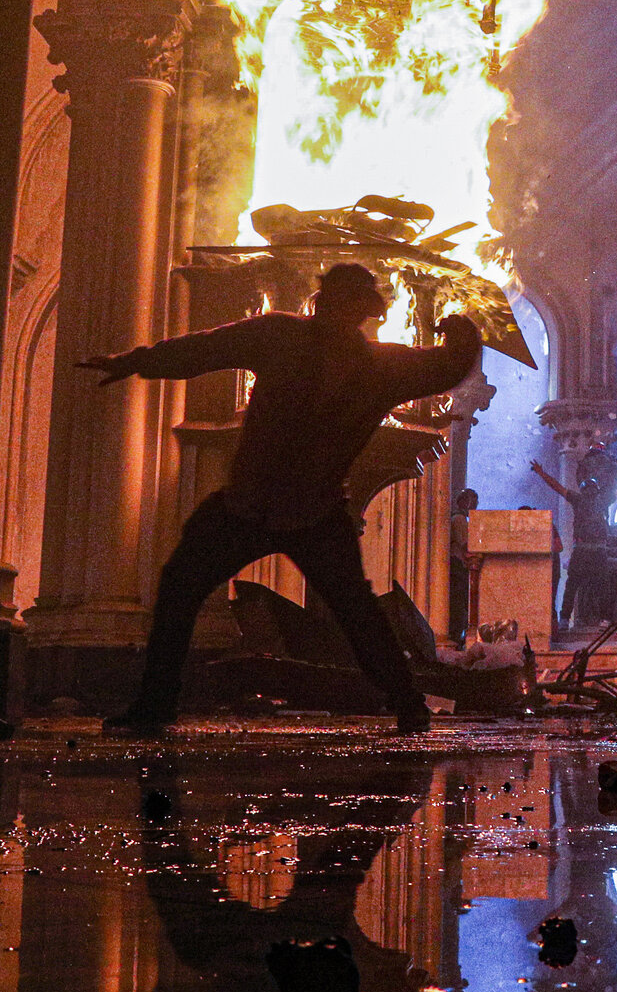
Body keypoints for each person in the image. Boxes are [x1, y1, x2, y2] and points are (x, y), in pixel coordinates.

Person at [87, 262, 480, 735]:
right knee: (350, 611)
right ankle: (408, 706)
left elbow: (203, 351)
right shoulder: (373, 364)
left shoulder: (292, 340)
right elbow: (448, 365)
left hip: (267, 507)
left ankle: (155, 707)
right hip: (294, 510)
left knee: (192, 590)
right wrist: (462, 333)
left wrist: (137, 361)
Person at [530, 459, 616, 637]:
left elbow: (557, 487)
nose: (591, 493)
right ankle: (574, 619)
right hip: (589, 549)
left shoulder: (587, 501)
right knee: (583, 585)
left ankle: (572, 619)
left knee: (586, 585)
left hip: (590, 549)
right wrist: (541, 473)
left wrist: (541, 472)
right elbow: (558, 487)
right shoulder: (587, 501)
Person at [446, 486, 478, 645]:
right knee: (459, 605)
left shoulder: (460, 518)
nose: (476, 505)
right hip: (458, 566)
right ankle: (456, 638)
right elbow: (466, 545)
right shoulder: (458, 519)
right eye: (474, 500)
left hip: (459, 565)